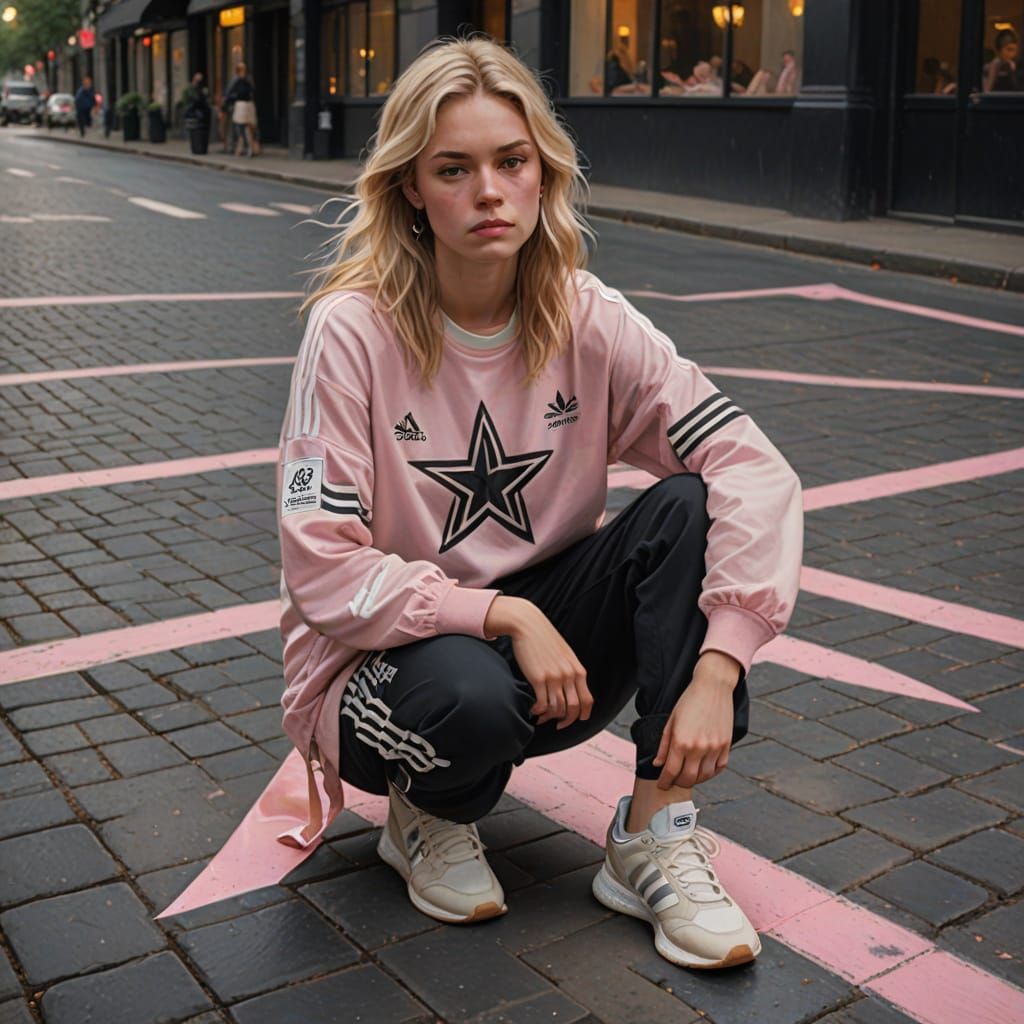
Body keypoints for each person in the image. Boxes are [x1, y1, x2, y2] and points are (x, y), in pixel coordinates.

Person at [275, 35, 802, 971]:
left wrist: (722, 665)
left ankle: (652, 833)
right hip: (386, 674)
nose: (489, 192)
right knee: (468, 698)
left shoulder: (585, 313)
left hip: (554, 658)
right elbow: (323, 563)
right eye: (454, 168)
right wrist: (502, 613)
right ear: (411, 189)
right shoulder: (351, 329)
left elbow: (753, 466)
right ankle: (423, 813)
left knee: (686, 505)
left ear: (542, 172)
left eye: (512, 162)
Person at [225, 61, 257, 156]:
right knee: (242, 127)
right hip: (242, 105)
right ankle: (243, 147)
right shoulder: (238, 80)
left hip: (244, 105)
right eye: (241, 69)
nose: (243, 71)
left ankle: (246, 147)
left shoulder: (246, 79)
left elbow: (229, 93)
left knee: (245, 127)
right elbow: (229, 92)